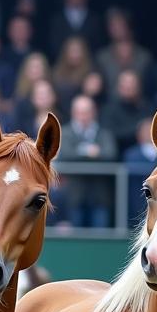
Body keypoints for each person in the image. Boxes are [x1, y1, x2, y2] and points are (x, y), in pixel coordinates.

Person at [56, 94, 117, 228]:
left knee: (100, 241)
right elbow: (65, 154)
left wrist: (81, 153)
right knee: (75, 242)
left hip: (100, 196)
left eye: (86, 112)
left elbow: (110, 154)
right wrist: (88, 152)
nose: (83, 116)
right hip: (74, 196)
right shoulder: (65, 133)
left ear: (94, 112)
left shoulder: (104, 133)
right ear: (73, 113)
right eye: (80, 112)